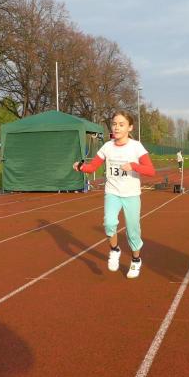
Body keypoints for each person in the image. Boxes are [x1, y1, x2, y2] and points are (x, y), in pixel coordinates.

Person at [74, 110, 155, 278]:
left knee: (132, 231)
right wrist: (81, 167)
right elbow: (93, 167)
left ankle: (136, 260)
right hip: (112, 192)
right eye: (114, 124)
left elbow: (151, 171)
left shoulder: (136, 147)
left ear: (130, 128)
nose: (117, 127)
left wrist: (134, 166)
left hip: (131, 195)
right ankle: (115, 249)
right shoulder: (107, 147)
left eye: (121, 124)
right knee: (109, 223)